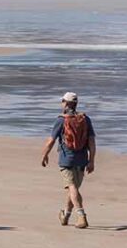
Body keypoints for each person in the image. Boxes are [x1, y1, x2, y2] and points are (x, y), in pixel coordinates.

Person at [41, 91, 96, 229]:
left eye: (62, 101)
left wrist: (44, 155)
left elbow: (51, 141)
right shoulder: (85, 119)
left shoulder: (61, 120)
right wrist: (91, 160)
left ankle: (81, 215)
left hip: (67, 160)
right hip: (82, 159)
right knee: (73, 189)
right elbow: (92, 142)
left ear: (65, 103)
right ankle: (65, 215)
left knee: (72, 188)